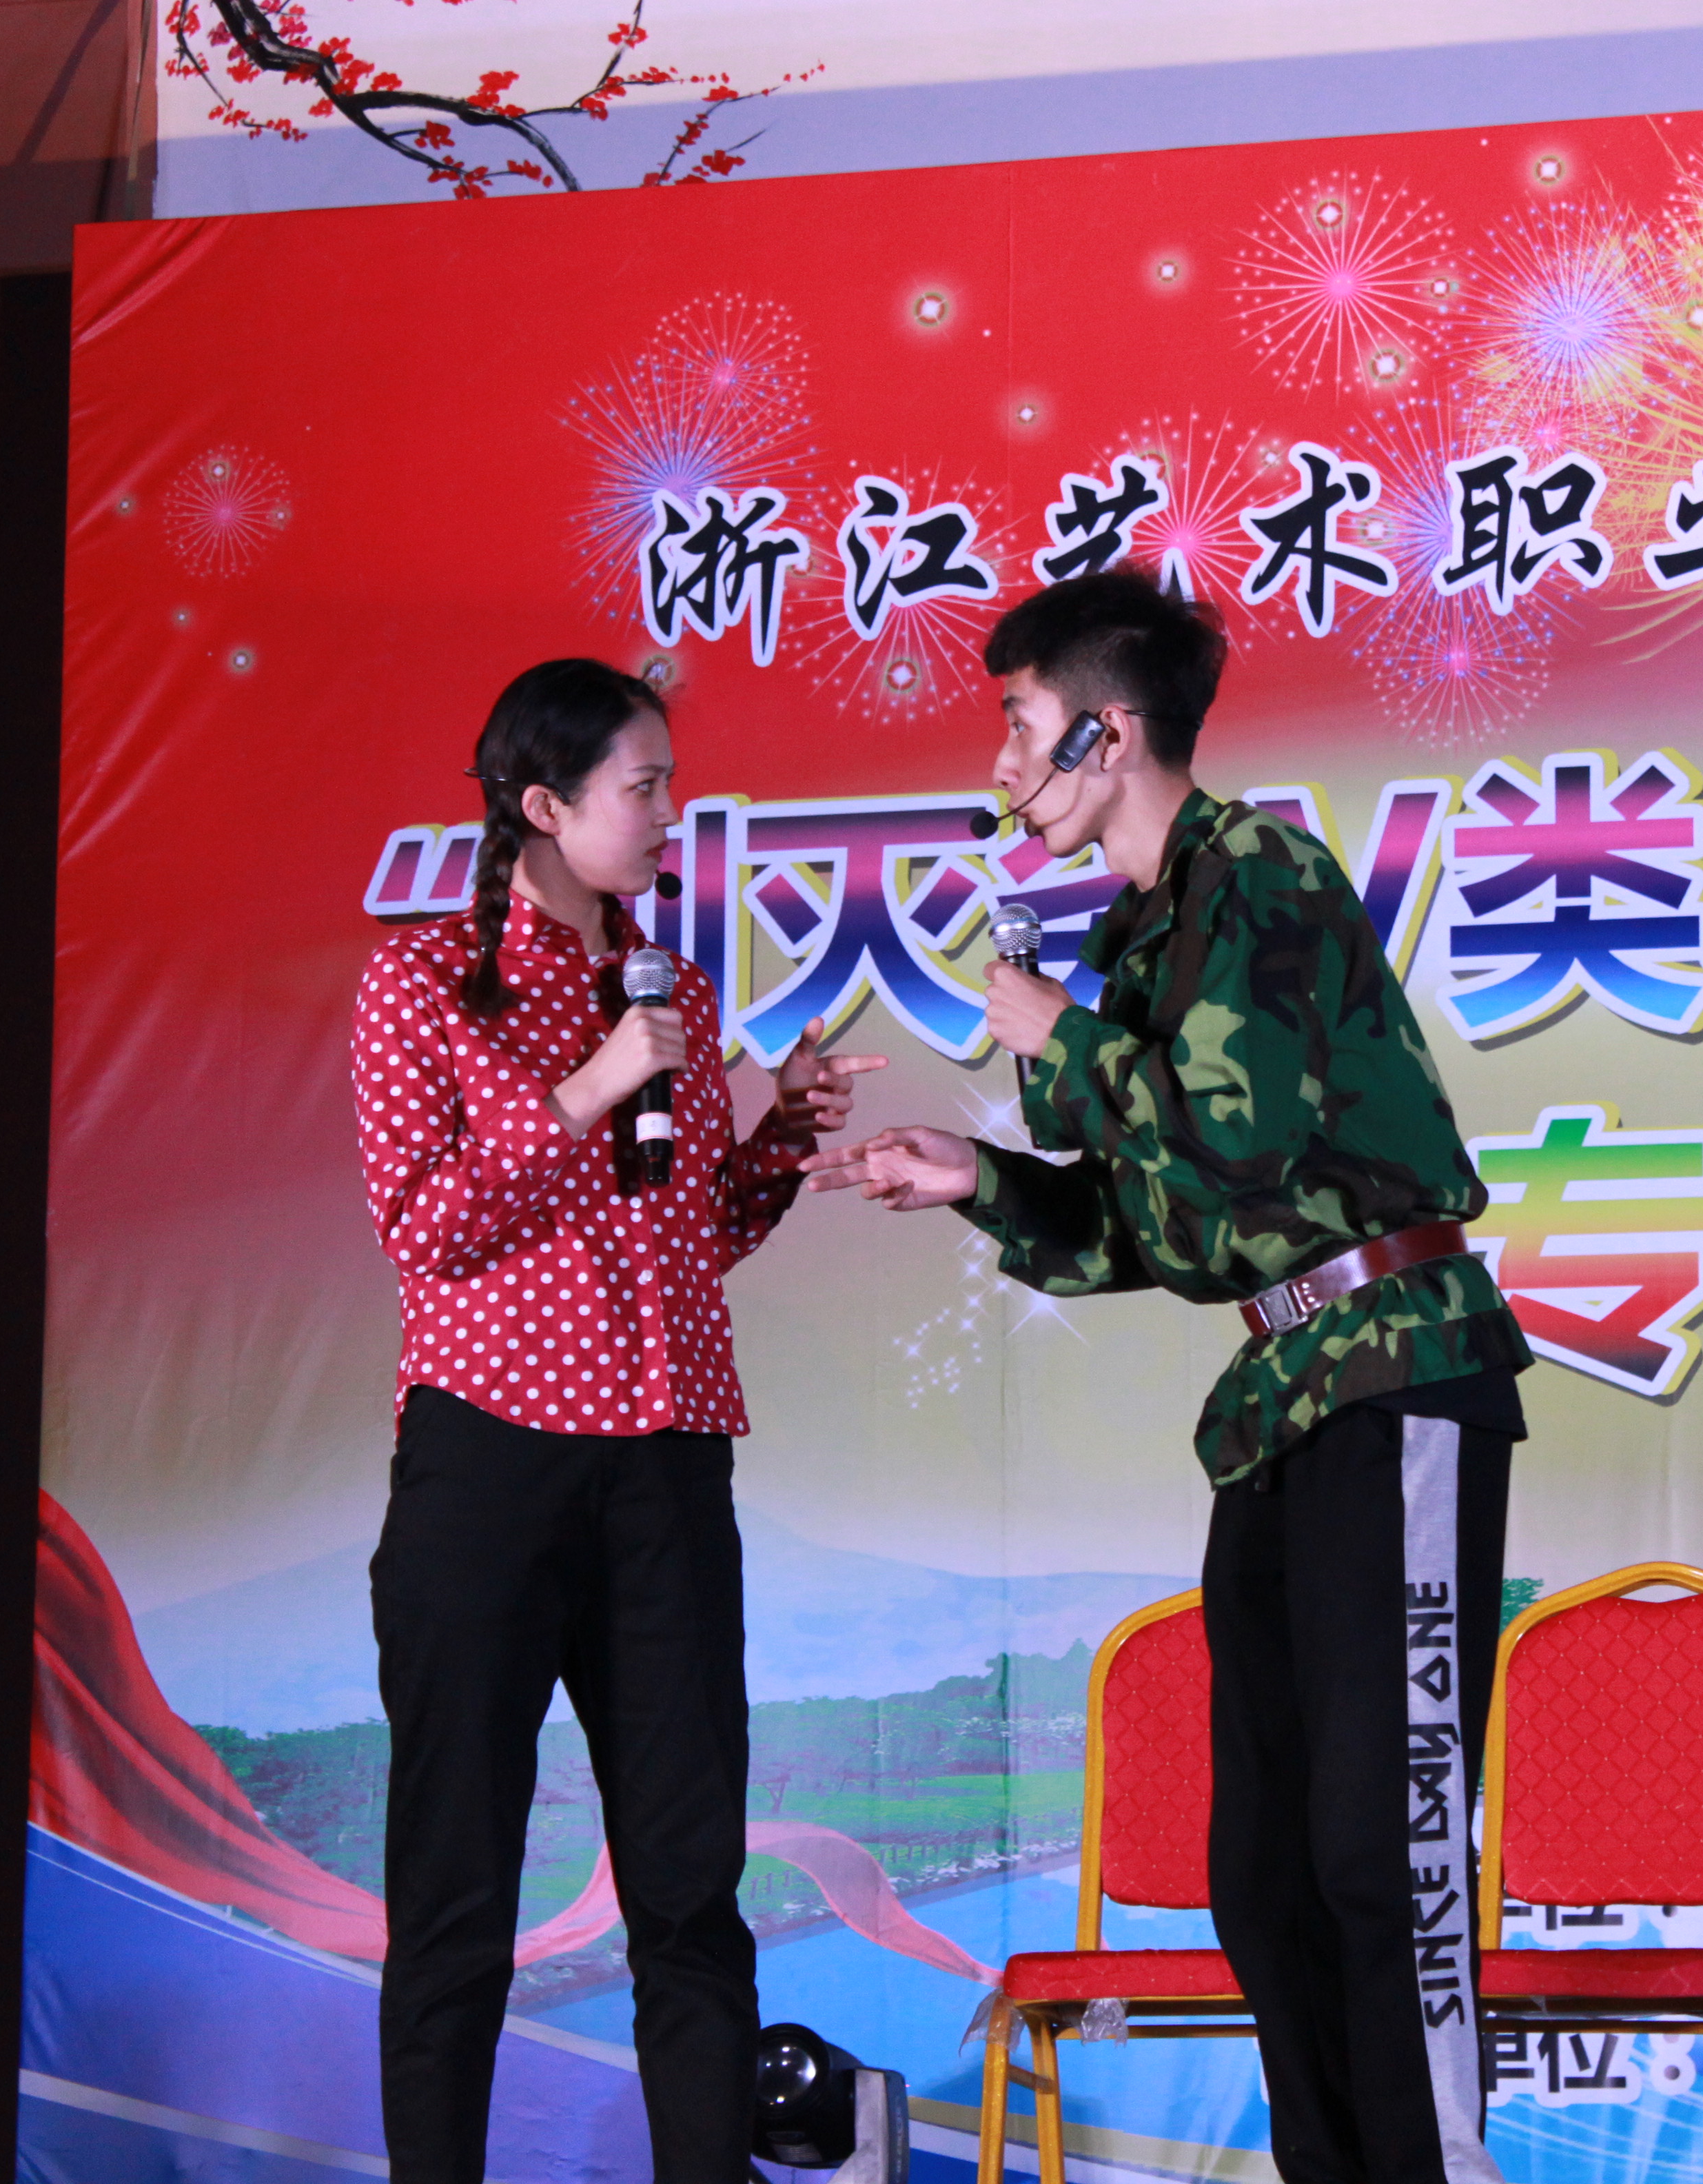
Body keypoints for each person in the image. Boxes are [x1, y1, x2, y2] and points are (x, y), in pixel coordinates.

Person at [802, 570, 1531, 2184]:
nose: (1004, 766)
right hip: (1282, 1399)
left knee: (1381, 1847)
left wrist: (1057, 1038)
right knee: (1264, 1870)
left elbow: (1243, 1133)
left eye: (1021, 725)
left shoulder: (1257, 870)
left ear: (1106, 733)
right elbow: (1163, 1221)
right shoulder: (1143, 934)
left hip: (1394, 1375)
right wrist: (977, 1178)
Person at [349, 657, 879, 2184]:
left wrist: (777, 1140)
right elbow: (424, 1228)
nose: (667, 815)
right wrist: (587, 1086)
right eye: (642, 788)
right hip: (490, 1465)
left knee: (691, 1889)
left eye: (670, 786)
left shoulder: (674, 990)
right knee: (457, 1888)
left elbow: (683, 1238)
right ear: (542, 804)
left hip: (666, 1473)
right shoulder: (421, 984)